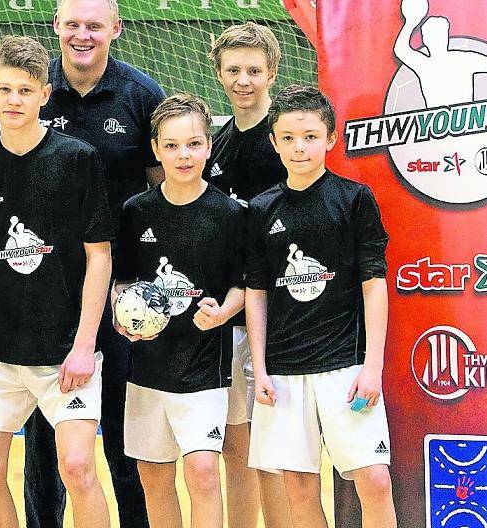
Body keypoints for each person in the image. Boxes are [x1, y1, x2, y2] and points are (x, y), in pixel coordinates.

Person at [0, 35, 113, 528]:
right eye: (4, 90)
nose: (14, 101)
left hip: (66, 350)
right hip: (1, 352)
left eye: (25, 90)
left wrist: (85, 344)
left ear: (46, 94)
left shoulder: (76, 159)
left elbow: (100, 257)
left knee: (78, 466)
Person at [30, 1, 165, 524]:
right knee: (47, 437)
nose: (82, 35)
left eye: (94, 25)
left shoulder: (142, 96)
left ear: (115, 28)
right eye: (73, 24)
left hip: (122, 290)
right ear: (56, 26)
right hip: (47, 287)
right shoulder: (36, 91)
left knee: (122, 429)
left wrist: (148, 285)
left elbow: (162, 194)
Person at [246, 85, 396, 528]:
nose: (299, 146)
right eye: (288, 137)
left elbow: (374, 284)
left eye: (310, 136)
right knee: (299, 485)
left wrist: (372, 367)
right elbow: (257, 292)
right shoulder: (261, 209)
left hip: (346, 368)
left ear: (330, 138)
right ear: (273, 141)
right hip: (285, 371)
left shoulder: (354, 199)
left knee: (374, 480)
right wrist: (260, 368)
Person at [113, 93, 244, 528]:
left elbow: (245, 286)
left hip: (205, 366)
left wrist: (223, 312)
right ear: (155, 150)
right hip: (148, 365)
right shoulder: (136, 211)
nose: (183, 155)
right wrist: (122, 312)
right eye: (171, 145)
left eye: (192, 144)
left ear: (208, 146)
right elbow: (125, 279)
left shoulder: (229, 214)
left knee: (203, 471)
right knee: (153, 473)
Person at [204, 22, 292, 528]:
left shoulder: (284, 144)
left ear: (272, 75)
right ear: (219, 74)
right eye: (233, 70)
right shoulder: (216, 145)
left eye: (254, 70)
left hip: (275, 321)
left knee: (271, 452)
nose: (243, 80)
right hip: (228, 319)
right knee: (236, 445)